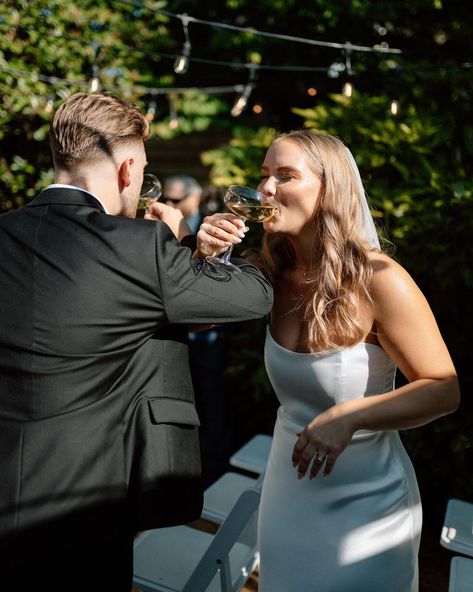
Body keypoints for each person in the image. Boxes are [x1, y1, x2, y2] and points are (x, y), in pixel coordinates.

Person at [0, 92, 273, 592]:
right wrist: (181, 244)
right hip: (87, 506)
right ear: (128, 171)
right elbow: (252, 298)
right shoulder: (143, 246)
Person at [195, 129, 460, 591]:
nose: (267, 190)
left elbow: (444, 387)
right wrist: (206, 257)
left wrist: (349, 416)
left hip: (367, 509)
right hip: (288, 493)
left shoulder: (381, 278)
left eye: (286, 176)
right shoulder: (268, 272)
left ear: (328, 188)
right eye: (264, 176)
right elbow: (193, 318)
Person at [161, 175, 235, 486]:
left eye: (176, 200)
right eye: (166, 198)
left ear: (194, 199)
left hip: (206, 338)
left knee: (211, 402)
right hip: (171, 338)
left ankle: (215, 470)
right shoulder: (156, 229)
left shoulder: (212, 228)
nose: (168, 204)